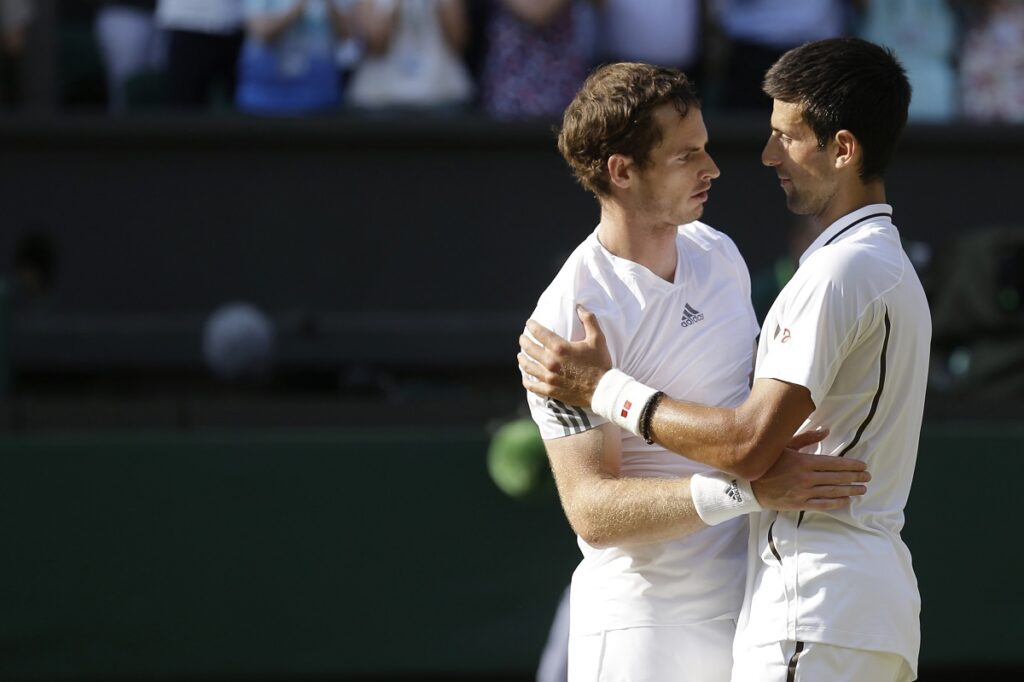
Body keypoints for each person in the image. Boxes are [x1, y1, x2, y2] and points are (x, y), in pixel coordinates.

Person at [521, 39, 925, 682]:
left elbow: (756, 428)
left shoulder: (722, 256)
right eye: (687, 156)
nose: (714, 167)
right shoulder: (565, 323)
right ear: (623, 171)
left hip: (756, 615)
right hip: (641, 630)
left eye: (706, 146)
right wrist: (743, 489)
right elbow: (593, 512)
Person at [236, 0, 351, 115]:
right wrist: (297, 8)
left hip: (320, 99)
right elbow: (261, 32)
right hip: (263, 100)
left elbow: (346, 35)